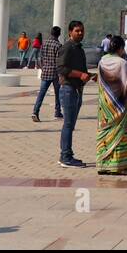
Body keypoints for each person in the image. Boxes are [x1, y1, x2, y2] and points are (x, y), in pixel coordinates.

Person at [56, 20, 96, 167]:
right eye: (77, 31)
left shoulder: (78, 48)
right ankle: (65, 156)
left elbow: (81, 70)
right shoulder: (67, 47)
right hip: (68, 89)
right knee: (68, 123)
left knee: (71, 124)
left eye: (82, 31)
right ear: (70, 32)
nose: (80, 33)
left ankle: (67, 153)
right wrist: (80, 75)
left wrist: (90, 75)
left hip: (77, 90)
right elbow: (61, 68)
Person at [95, 35, 127, 174]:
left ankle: (103, 164)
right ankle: (119, 165)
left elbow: (100, 82)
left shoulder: (101, 61)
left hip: (105, 104)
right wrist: (126, 101)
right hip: (119, 103)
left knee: (105, 132)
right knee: (119, 134)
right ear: (120, 48)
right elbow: (126, 84)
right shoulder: (122, 63)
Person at [31, 26, 62, 122]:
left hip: (45, 72)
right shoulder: (58, 45)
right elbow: (59, 61)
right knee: (58, 94)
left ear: (51, 33)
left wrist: (43, 67)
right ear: (59, 34)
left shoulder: (44, 43)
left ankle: (35, 111)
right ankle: (57, 112)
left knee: (41, 93)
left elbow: (41, 57)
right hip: (55, 73)